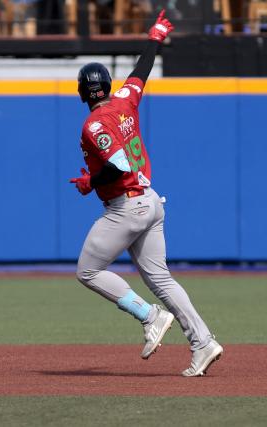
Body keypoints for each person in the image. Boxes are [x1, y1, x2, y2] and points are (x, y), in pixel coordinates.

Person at [69, 10, 223, 377]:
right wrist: (154, 37)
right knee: (161, 279)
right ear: (107, 86)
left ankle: (149, 315)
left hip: (127, 206)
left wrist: (92, 181)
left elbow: (118, 164)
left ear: (81, 93)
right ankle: (203, 342)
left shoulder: (94, 123)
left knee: (88, 270)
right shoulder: (124, 101)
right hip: (151, 202)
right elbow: (140, 72)